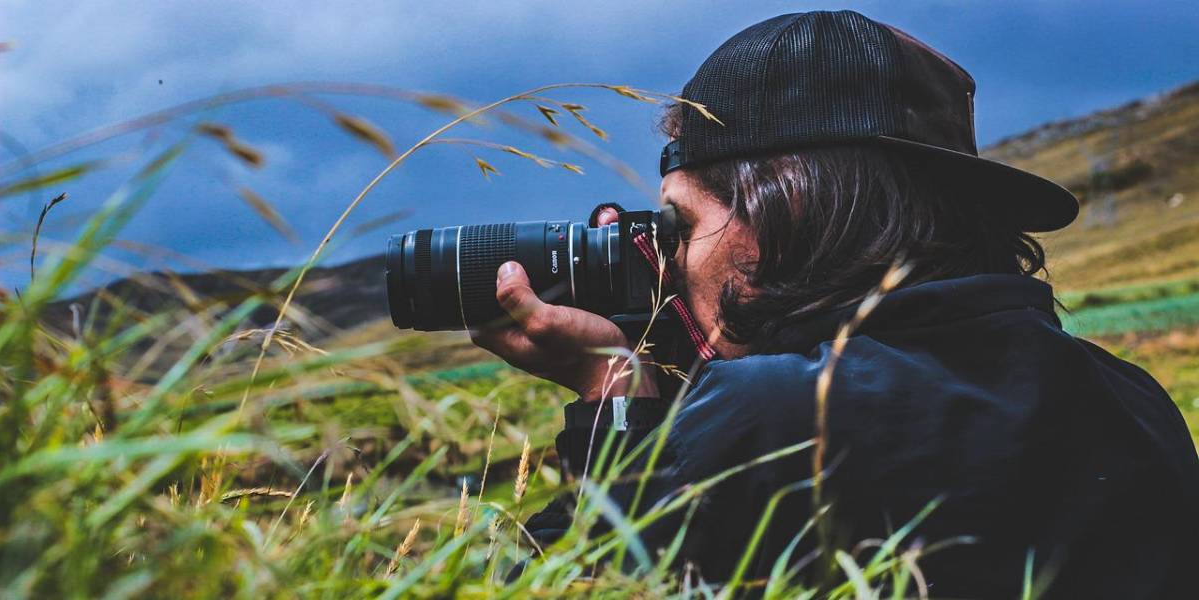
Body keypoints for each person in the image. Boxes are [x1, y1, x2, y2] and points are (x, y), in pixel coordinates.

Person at [471, 10, 1199, 598]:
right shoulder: (1133, 398)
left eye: (680, 224)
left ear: (779, 207)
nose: (670, 259)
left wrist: (613, 396)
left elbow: (559, 583)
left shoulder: (774, 416)